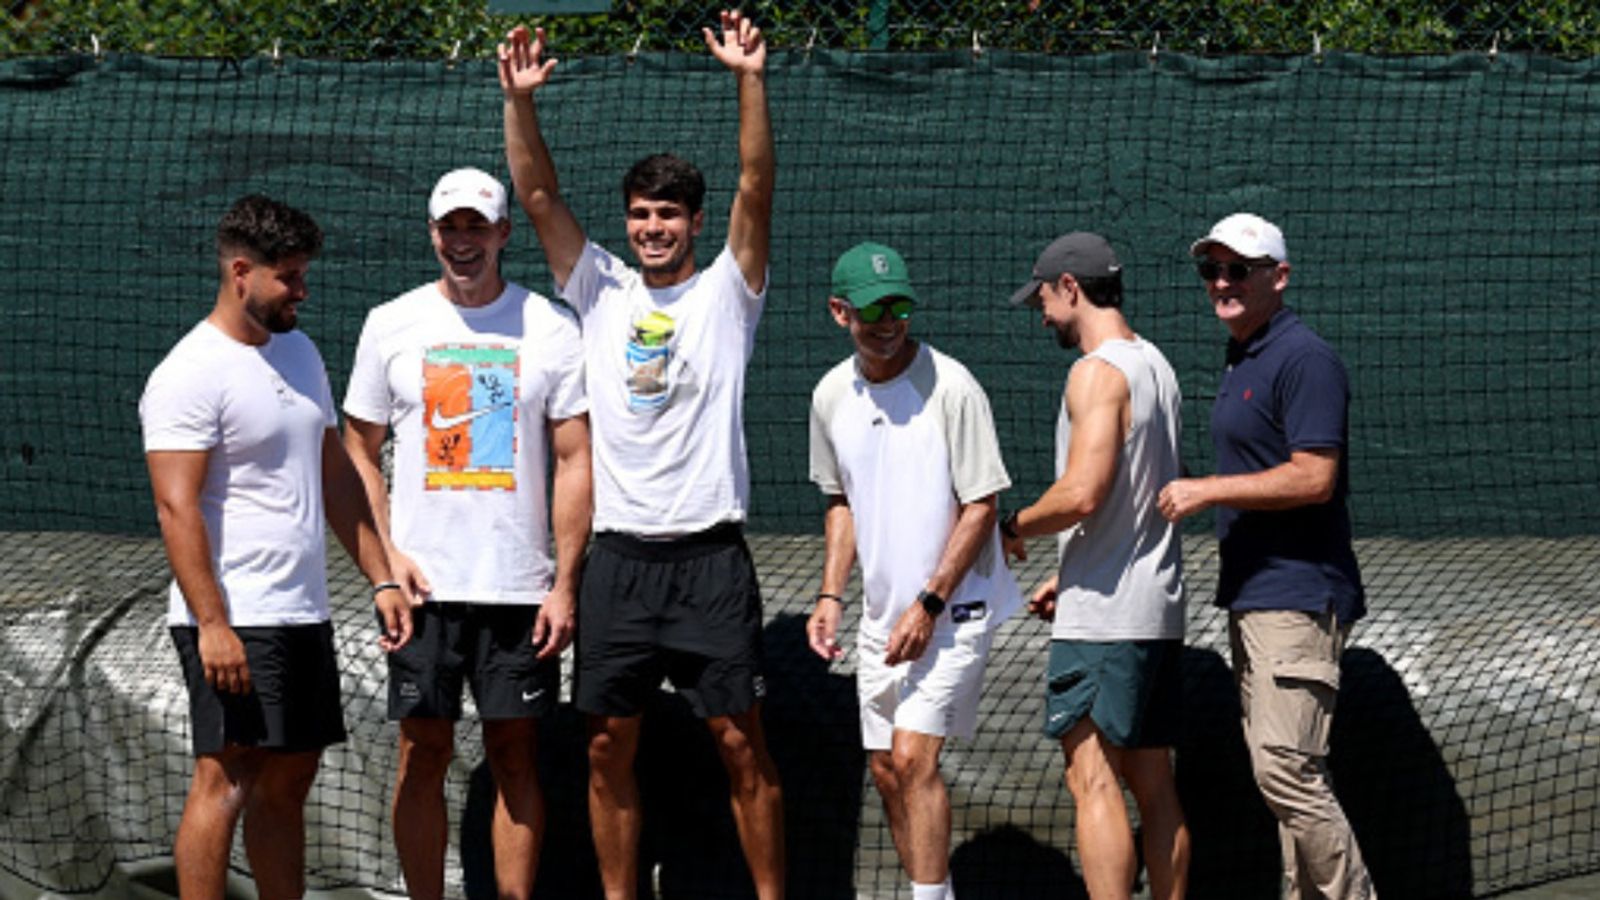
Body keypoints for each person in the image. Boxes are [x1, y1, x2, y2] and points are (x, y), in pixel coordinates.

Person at [498, 11, 784, 899]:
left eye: (667, 215)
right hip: (619, 561)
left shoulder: (729, 293)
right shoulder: (598, 287)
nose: (651, 228)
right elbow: (538, 196)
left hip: (709, 559)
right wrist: (517, 101)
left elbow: (755, 182)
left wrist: (748, 77)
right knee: (604, 744)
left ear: (694, 223)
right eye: (640, 215)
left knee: (741, 742)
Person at [341, 167, 592, 900]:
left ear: (504, 233)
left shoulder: (550, 327)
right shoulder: (391, 324)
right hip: (423, 596)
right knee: (422, 752)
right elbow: (357, 450)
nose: (462, 241)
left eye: (476, 227)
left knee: (516, 756)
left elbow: (576, 458)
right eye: (449, 227)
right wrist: (387, 563)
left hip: (520, 590)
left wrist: (564, 583)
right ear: (432, 234)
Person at [139, 194, 394, 900]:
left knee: (291, 776)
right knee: (226, 776)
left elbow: (336, 474)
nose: (302, 290)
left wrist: (383, 577)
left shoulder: (301, 352)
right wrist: (213, 624)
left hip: (301, 612)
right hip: (233, 616)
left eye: (305, 272)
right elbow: (174, 505)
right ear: (241, 272)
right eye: (289, 276)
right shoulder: (188, 372)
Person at [1158, 213, 1375, 899]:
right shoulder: (1246, 354)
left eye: (1239, 270)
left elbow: (1314, 476)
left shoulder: (1304, 359)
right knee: (1284, 774)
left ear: (1278, 277)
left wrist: (1207, 490)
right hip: (1255, 596)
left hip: (1299, 594)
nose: (1222, 282)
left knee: (1285, 770)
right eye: (1211, 270)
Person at [806, 242, 1023, 900]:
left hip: (954, 612)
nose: (889, 320)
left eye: (900, 305)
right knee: (884, 770)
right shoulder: (828, 396)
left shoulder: (953, 387)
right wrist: (829, 596)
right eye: (874, 309)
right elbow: (839, 503)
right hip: (879, 619)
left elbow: (982, 505)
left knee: (912, 759)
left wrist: (929, 604)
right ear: (840, 311)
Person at [998, 232, 1190, 900]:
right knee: (1156, 786)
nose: (1043, 314)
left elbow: (1083, 493)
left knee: (1092, 780)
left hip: (1107, 622)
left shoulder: (1095, 371)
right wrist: (1071, 569)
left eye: (1044, 299)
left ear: (1070, 289)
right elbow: (1152, 489)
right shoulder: (1157, 366)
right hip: (1155, 612)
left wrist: (1011, 527)